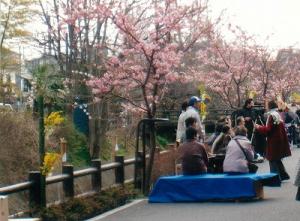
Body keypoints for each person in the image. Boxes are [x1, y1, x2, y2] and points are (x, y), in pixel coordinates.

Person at [254, 100, 291, 180]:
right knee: (276, 158)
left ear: (269, 106)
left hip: (273, 140)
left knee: (272, 159)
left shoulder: (271, 115)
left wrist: (259, 127)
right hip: (279, 139)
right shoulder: (277, 114)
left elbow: (268, 129)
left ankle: (275, 178)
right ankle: (283, 175)